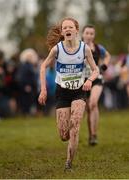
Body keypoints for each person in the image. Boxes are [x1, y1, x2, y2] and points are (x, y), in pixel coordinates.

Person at [38, 18, 99, 170]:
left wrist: (90, 80)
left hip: (79, 92)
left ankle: (68, 163)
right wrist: (43, 89)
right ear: (62, 31)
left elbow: (96, 70)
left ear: (76, 30)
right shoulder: (57, 49)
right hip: (62, 93)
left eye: (70, 27)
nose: (67, 30)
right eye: (65, 28)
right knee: (64, 134)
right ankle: (67, 138)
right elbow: (43, 67)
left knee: (75, 126)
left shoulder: (84, 49)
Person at [82, 24, 111, 145]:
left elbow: (107, 56)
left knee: (93, 103)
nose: (89, 36)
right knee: (89, 108)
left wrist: (104, 65)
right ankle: (91, 135)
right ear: (83, 34)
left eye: (91, 34)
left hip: (97, 78)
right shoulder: (78, 47)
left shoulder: (99, 48)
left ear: (94, 35)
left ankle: (94, 134)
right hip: (83, 80)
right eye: (87, 33)